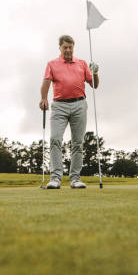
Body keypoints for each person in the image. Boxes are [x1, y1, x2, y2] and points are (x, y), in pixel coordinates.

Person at [39, 35, 99, 189]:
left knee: (78, 143)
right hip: (59, 106)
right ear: (60, 48)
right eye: (64, 47)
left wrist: (95, 72)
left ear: (73, 47)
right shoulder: (52, 64)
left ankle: (75, 179)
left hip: (79, 104)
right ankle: (55, 178)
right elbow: (45, 83)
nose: (67, 50)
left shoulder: (82, 63)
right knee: (55, 139)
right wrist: (44, 98)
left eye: (70, 47)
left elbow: (94, 85)